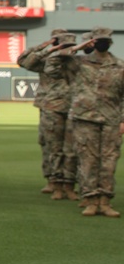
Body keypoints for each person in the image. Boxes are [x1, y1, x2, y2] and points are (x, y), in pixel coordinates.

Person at [47, 27, 124, 217]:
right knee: (88, 161)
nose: (101, 43)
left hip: (110, 120)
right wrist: (79, 47)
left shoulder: (119, 66)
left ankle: (104, 201)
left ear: (110, 43)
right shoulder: (79, 63)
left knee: (108, 162)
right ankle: (90, 199)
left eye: (104, 40)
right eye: (98, 40)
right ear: (92, 42)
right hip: (84, 119)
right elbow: (52, 65)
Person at [17, 30, 78, 200]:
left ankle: (69, 183)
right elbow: (22, 60)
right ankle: (53, 181)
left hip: (75, 108)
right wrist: (46, 47)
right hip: (51, 107)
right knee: (51, 147)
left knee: (72, 149)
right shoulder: (45, 60)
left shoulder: (78, 62)